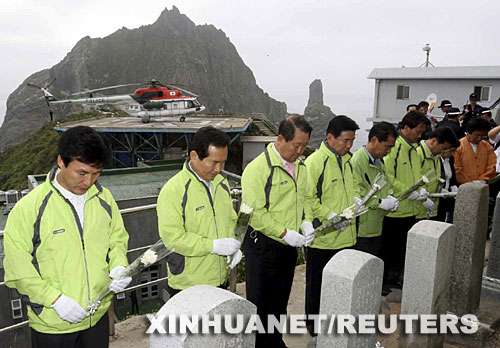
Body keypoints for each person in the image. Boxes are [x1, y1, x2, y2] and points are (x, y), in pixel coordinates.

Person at [4, 126, 130, 348]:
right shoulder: (30, 208)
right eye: (81, 173)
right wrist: (55, 300)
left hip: (97, 315)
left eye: (96, 173)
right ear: (61, 162)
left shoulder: (104, 198)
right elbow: (17, 268)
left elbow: (117, 239)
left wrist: (119, 266)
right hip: (54, 322)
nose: (88, 182)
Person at [241, 114, 313, 347]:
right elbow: (254, 213)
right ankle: (260, 345)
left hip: (289, 246)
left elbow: (307, 199)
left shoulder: (301, 167)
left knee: (280, 299)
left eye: (304, 145)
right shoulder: (258, 168)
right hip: (263, 245)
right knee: (260, 303)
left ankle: (274, 340)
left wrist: (306, 221)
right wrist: (284, 233)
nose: (301, 151)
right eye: (297, 145)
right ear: (281, 139)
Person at [157, 126, 240, 298]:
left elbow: (231, 219)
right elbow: (173, 239)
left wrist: (234, 246)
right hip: (188, 286)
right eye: (214, 162)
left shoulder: (221, 183)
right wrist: (214, 246)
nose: (219, 169)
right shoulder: (173, 190)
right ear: (194, 156)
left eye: (223, 162)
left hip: (220, 278)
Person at [302, 115, 359, 335]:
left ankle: (336, 323)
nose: (349, 145)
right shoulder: (315, 162)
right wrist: (330, 216)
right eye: (345, 140)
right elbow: (308, 199)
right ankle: (314, 327)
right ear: (330, 137)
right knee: (317, 285)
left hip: (346, 236)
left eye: (352, 140)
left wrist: (355, 203)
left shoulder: (347, 160)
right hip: (323, 239)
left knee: (341, 284)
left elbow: (352, 189)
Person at [380, 111, 428, 293]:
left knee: (401, 249)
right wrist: (408, 191)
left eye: (422, 132)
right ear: (406, 128)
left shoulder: (414, 150)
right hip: (395, 210)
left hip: (411, 209)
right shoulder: (395, 148)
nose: (420, 135)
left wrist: (420, 190)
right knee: (387, 248)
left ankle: (393, 279)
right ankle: (383, 281)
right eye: (418, 131)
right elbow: (388, 176)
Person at [351, 122, 399, 257]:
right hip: (362, 229)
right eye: (387, 147)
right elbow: (358, 193)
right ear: (374, 140)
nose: (389, 151)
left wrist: (390, 197)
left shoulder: (379, 161)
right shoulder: (357, 161)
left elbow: (385, 185)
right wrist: (380, 203)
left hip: (377, 224)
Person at [415, 127, 458, 219]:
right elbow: (414, 179)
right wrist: (424, 199)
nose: (442, 152)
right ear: (433, 141)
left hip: (432, 207)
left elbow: (436, 178)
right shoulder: (417, 153)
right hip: (417, 208)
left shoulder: (436, 156)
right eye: (443, 148)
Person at [455, 117, 496, 184]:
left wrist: (484, 179)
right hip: (464, 186)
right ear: (468, 132)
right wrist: (469, 183)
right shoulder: (458, 146)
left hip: (484, 184)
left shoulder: (487, 146)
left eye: (483, 136)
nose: (480, 138)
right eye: (477, 135)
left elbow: (492, 165)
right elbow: (457, 169)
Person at [436, 147, 459, 223]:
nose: (452, 154)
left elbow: (451, 177)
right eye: (451, 151)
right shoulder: (437, 160)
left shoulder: (450, 160)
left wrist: (453, 187)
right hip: (438, 195)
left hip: (448, 195)